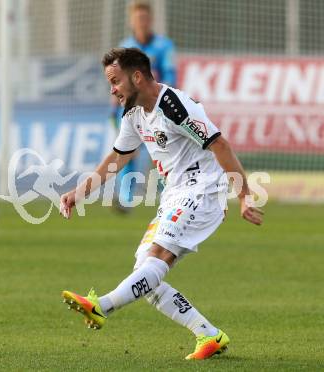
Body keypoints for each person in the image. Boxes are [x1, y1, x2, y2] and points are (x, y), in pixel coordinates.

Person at [60, 48, 263, 360]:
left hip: (203, 190)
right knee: (144, 274)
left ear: (137, 77)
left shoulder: (175, 105)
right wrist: (78, 192)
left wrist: (244, 194)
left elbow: (220, 144)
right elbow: (118, 157)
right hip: (175, 194)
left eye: (115, 82)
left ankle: (102, 305)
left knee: (156, 258)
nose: (112, 90)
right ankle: (208, 334)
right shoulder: (133, 114)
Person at [111, 1, 177, 209]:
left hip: (157, 107)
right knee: (127, 151)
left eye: (144, 18)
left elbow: (170, 75)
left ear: (151, 20)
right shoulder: (125, 47)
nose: (141, 22)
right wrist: (116, 101)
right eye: (138, 18)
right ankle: (126, 198)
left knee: (163, 150)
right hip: (131, 108)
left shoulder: (164, 46)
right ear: (132, 21)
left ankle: (168, 192)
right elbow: (118, 79)